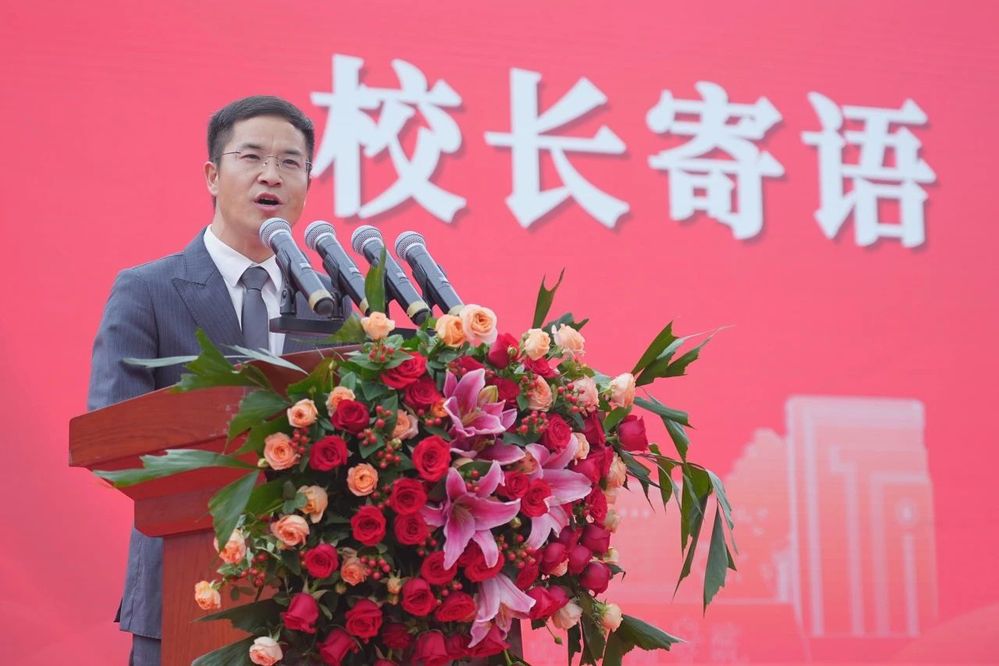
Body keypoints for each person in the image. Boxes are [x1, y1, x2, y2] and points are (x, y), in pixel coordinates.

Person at [88, 95, 327, 665]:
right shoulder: (148, 290)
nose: (271, 175)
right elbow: (113, 440)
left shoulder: (328, 305)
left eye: (290, 162)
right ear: (213, 176)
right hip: (186, 589)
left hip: (313, 601)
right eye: (252, 157)